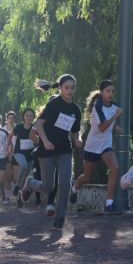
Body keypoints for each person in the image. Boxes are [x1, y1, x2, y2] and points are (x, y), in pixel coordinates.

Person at [22, 74, 83, 229]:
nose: (70, 91)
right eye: (67, 87)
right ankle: (29, 183)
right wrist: (46, 141)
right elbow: (39, 124)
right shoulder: (54, 104)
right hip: (46, 150)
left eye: (72, 88)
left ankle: (60, 218)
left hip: (64, 149)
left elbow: (75, 131)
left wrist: (78, 139)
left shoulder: (75, 109)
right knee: (48, 187)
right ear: (61, 88)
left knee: (64, 183)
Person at [70, 80, 124, 213]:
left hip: (106, 145)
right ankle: (74, 187)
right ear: (101, 92)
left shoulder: (114, 106)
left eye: (112, 91)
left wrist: (117, 127)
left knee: (115, 168)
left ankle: (109, 203)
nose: (111, 94)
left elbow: (111, 125)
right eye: (108, 91)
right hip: (92, 145)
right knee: (87, 177)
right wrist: (115, 117)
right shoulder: (97, 107)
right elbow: (101, 127)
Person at [10, 108, 38, 208]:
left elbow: (38, 140)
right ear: (23, 117)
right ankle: (17, 186)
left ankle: (18, 196)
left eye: (31, 115)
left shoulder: (35, 128)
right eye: (27, 115)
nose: (29, 117)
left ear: (33, 117)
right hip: (19, 153)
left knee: (25, 176)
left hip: (30, 155)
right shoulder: (19, 127)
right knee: (24, 166)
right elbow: (10, 136)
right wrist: (8, 146)